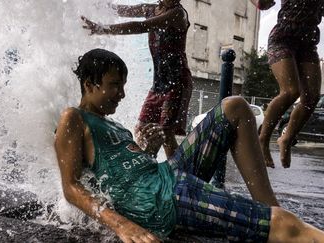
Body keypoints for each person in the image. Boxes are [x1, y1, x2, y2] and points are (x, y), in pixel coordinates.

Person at [54, 48, 324, 242]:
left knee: (235, 107)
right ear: (90, 84)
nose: (122, 94)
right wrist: (123, 226)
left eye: (123, 85)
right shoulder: (73, 118)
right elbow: (71, 188)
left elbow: (123, 174)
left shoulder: (114, 126)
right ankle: (280, 227)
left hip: (165, 178)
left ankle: (268, 207)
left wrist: (149, 148)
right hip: (161, 200)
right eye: (114, 85)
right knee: (286, 225)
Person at [81, 0, 192, 157]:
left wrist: (103, 29)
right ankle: (142, 168)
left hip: (178, 82)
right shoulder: (150, 9)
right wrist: (98, 5)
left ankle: (178, 175)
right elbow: (122, 10)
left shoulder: (177, 14)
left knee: (166, 132)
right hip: (158, 85)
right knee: (142, 128)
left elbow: (141, 26)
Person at [250, 0, 323, 168]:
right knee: (291, 91)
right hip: (282, 39)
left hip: (308, 43)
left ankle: (287, 138)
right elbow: (262, 3)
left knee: (311, 98)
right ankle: (262, 139)